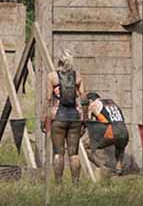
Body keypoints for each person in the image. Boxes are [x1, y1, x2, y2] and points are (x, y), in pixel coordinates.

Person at [42, 50, 87, 185]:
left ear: (59, 62)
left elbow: (49, 99)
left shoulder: (52, 77)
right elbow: (84, 98)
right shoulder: (78, 76)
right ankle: (76, 183)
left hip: (59, 117)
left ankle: (58, 184)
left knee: (58, 152)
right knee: (74, 153)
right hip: (74, 118)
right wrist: (84, 119)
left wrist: (45, 119)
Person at [85, 92, 129, 175]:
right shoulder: (112, 103)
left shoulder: (93, 105)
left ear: (90, 100)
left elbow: (89, 122)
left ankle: (103, 167)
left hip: (111, 131)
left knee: (85, 147)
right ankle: (119, 168)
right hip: (124, 130)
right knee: (120, 147)